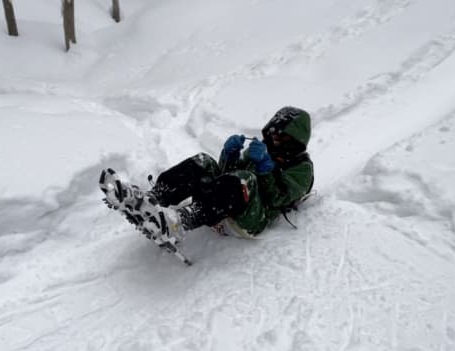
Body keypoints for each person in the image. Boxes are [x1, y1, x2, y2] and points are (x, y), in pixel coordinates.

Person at [101, 106, 314, 248]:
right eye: (273, 133)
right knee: (204, 161)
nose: (274, 140)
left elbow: (278, 198)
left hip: (256, 218)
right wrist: (229, 155)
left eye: (281, 137)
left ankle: (182, 221)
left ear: (295, 139)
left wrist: (265, 169)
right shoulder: (261, 150)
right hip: (231, 206)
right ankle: (155, 197)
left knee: (245, 179)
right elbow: (225, 177)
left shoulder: (302, 169)